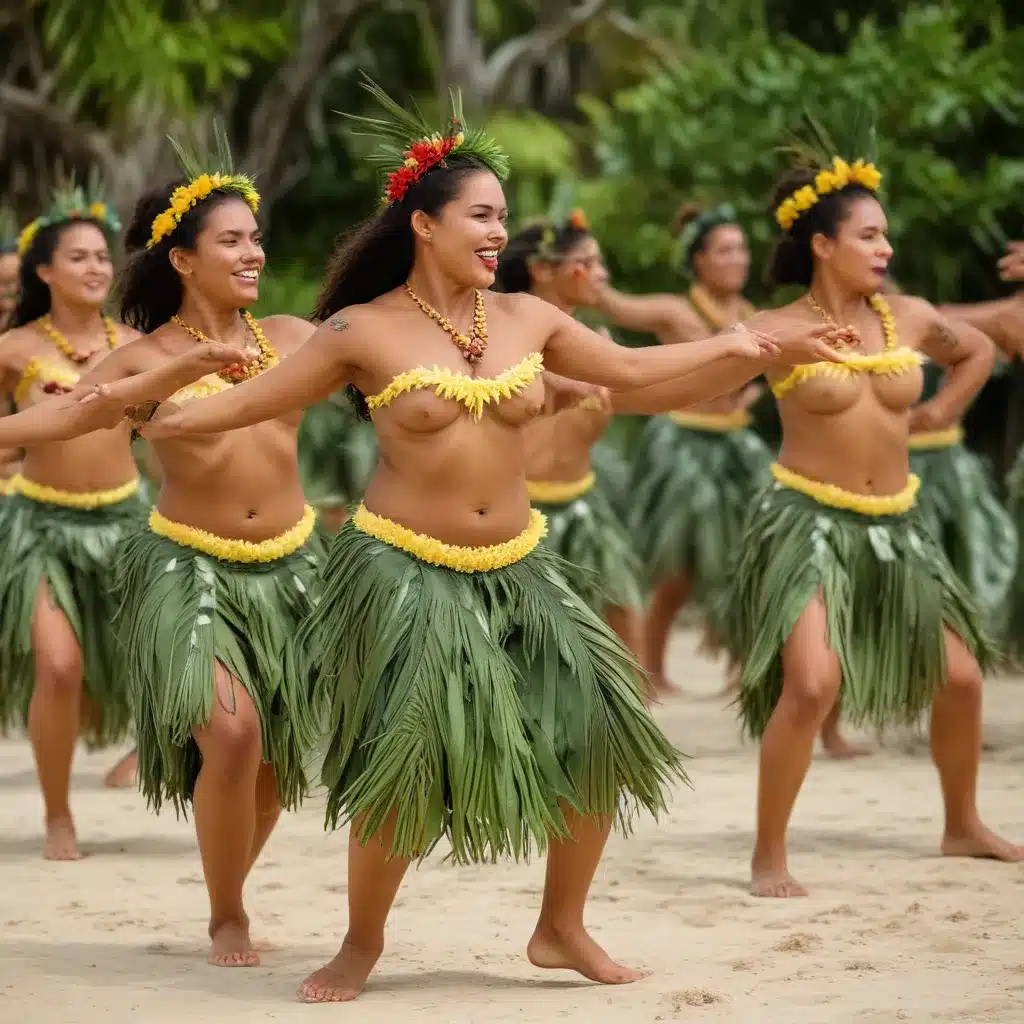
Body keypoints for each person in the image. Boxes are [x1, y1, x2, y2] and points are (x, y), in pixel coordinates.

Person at [120, 79, 848, 1000]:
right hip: (400, 567)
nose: (501, 231)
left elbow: (633, 375)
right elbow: (238, 404)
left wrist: (747, 347)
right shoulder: (360, 328)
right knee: (403, 755)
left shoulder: (529, 320)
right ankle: (362, 943)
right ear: (425, 225)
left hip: (520, 560)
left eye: (505, 216)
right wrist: (141, 407)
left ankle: (560, 926)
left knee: (598, 733)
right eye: (482, 215)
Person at [0, 147, 323, 966]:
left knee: (279, 763)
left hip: (292, 567)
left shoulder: (294, 337)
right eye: (232, 241)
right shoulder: (143, 359)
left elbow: (398, 365)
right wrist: (189, 366)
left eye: (257, 238)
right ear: (183, 258)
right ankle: (226, 917)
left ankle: (228, 889)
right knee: (233, 733)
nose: (253, 252)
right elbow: (70, 417)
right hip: (188, 569)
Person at [718, 148, 1024, 898]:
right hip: (805, 521)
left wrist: (942, 410)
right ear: (823, 244)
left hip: (896, 521)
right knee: (814, 683)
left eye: (886, 236)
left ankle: (961, 824)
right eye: (869, 235)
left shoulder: (910, 316)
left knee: (958, 677)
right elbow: (694, 375)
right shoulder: (779, 326)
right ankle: (769, 855)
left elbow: (980, 350)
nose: (886, 249)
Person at [0, 184, 151, 857]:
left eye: (102, 256)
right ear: (45, 272)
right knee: (58, 668)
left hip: (126, 519)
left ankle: (145, 753)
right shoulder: (16, 347)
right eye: (79, 257)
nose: (96, 267)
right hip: (39, 526)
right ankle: (58, 812)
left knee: (149, 660)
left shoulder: (141, 344)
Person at [592, 204, 773, 698]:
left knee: (743, 561)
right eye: (725, 250)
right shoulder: (676, 310)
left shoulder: (750, 315)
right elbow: (614, 305)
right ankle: (650, 668)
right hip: (683, 448)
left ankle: (742, 669)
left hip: (737, 446)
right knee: (675, 569)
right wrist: (586, 265)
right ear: (699, 261)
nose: (738, 258)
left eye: (742, 248)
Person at [493, 212, 644, 659]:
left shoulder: (602, 346)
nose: (602, 273)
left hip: (584, 510)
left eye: (600, 262)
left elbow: (652, 387)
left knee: (623, 628)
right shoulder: (499, 342)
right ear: (542, 270)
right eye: (587, 262)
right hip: (515, 517)